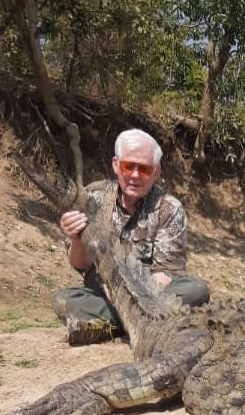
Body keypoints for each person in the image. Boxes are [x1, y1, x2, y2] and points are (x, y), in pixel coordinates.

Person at [53, 128, 210, 344]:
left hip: (151, 295)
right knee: (65, 300)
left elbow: (167, 274)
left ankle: (112, 325)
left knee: (196, 290)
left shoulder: (170, 208)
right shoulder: (92, 197)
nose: (135, 175)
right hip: (105, 295)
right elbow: (80, 265)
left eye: (144, 169)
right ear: (116, 165)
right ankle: (146, 324)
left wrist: (127, 294)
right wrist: (76, 238)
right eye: (129, 166)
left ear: (156, 172)